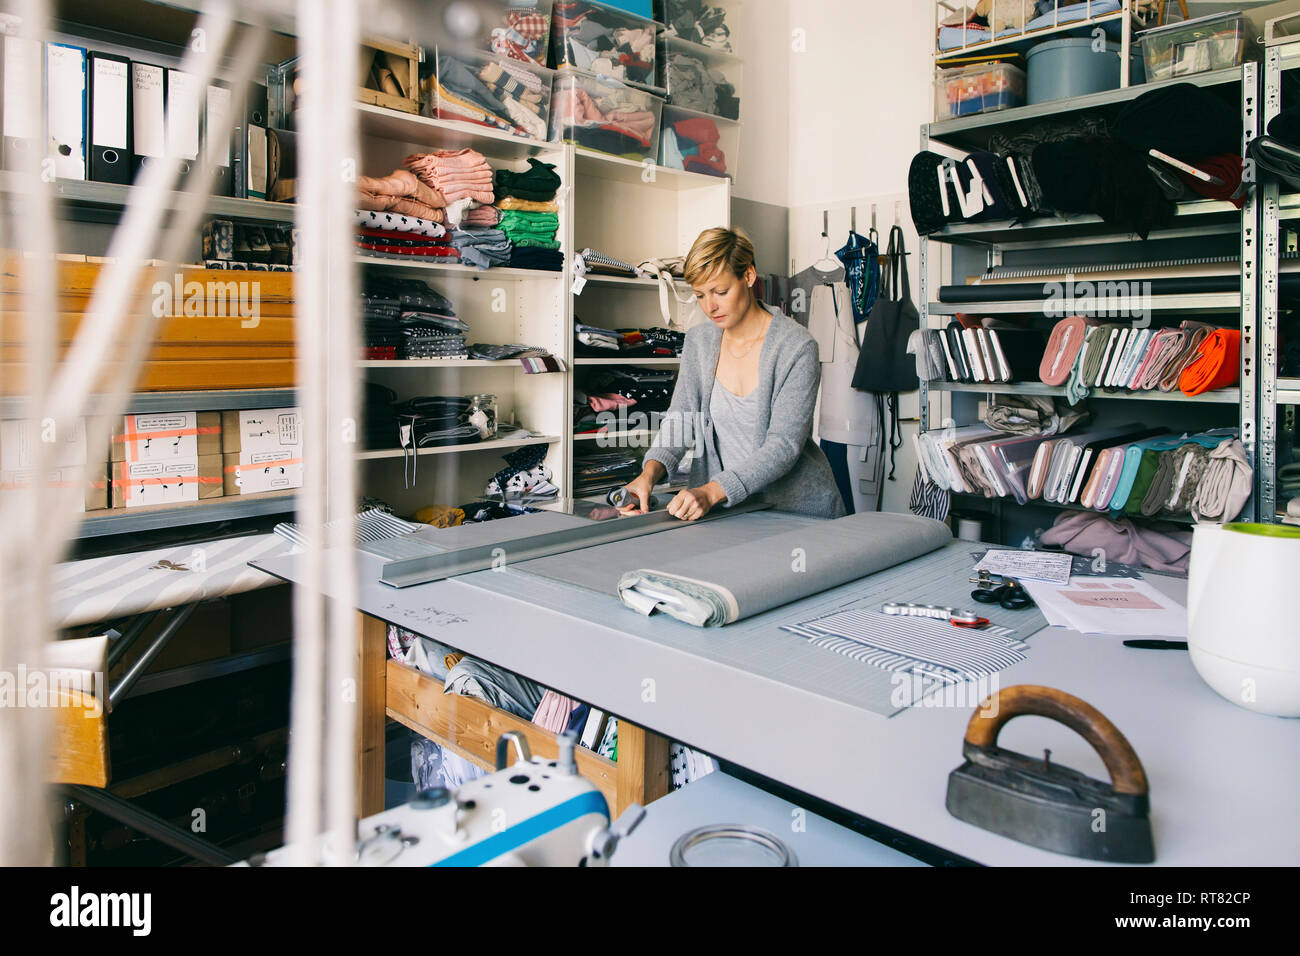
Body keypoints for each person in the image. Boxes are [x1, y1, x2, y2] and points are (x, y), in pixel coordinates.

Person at [620, 227, 845, 521]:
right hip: (727, 513)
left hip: (796, 512)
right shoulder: (699, 342)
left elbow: (784, 446)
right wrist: (649, 473)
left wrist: (711, 491)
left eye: (721, 292)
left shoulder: (796, 347)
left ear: (749, 276)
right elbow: (681, 419)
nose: (710, 306)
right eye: (700, 295)